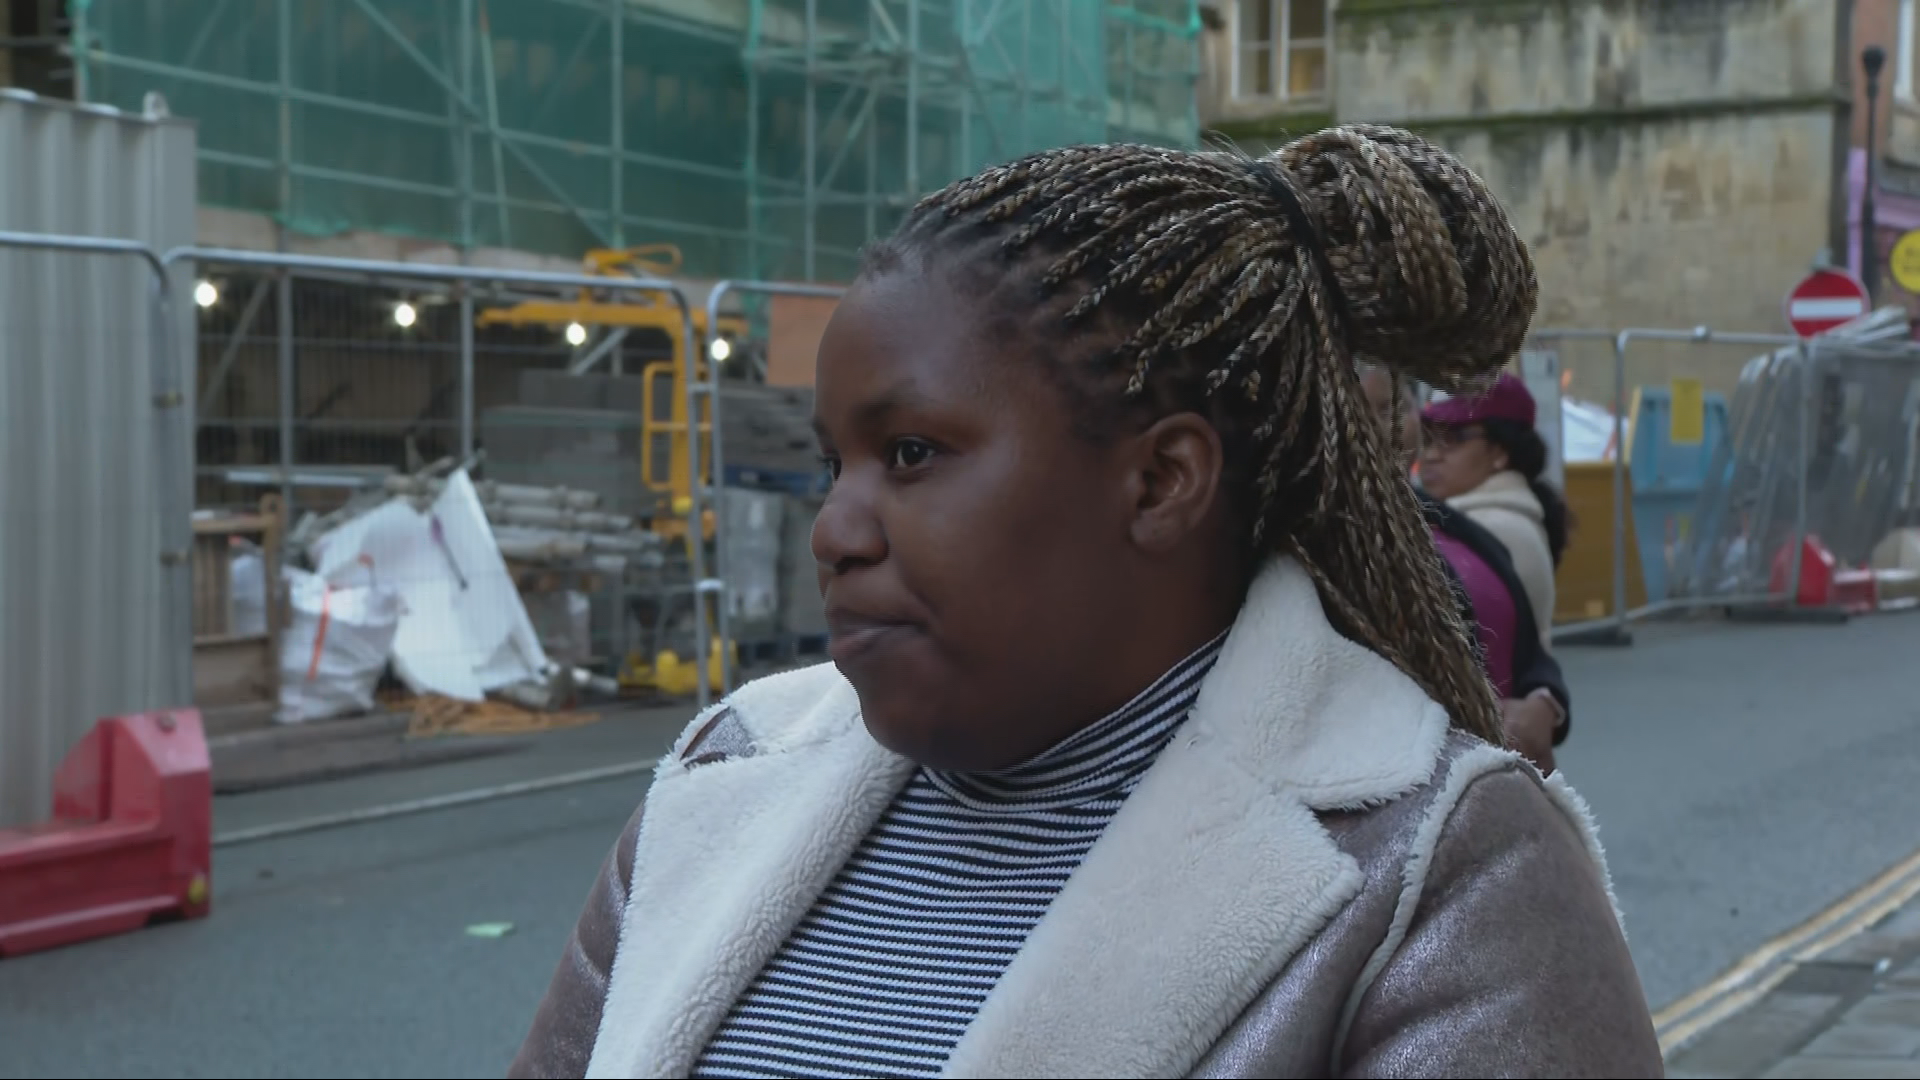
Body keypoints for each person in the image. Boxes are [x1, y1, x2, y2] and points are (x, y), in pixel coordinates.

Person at [510, 127, 1662, 1079]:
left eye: (910, 453)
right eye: (835, 465)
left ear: (1162, 481)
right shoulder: (725, 777)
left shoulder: (1450, 873)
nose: (835, 530)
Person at [1360, 368, 1568, 774]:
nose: (1383, 429)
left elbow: (1528, 648)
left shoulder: (1460, 526)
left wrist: (1544, 703)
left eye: (1393, 408)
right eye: (1360, 410)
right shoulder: (1328, 546)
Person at [1417, 373, 1570, 640]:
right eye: (1428, 438)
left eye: (1454, 437)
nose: (1431, 455)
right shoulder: (1466, 518)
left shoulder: (1496, 530)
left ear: (1500, 451)